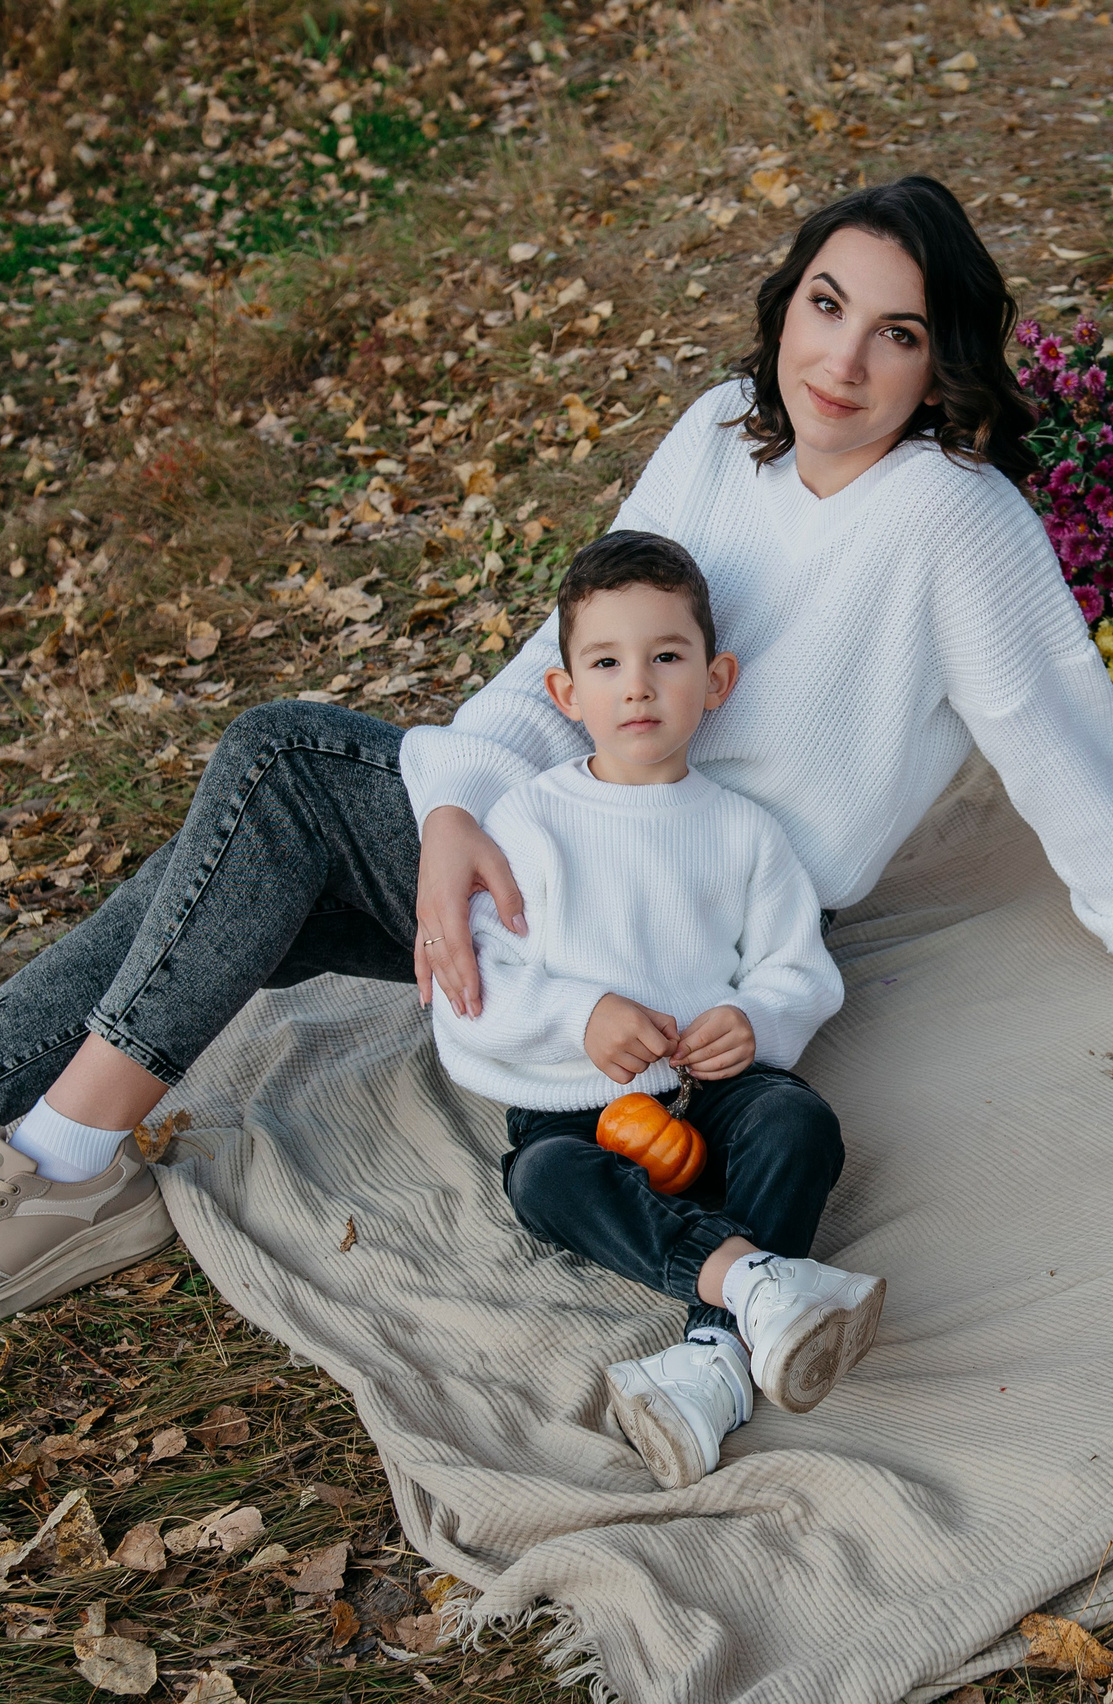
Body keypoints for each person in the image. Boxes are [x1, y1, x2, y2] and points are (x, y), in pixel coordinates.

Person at [0, 172, 1113, 1345]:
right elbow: (568, 663)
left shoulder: (956, 521)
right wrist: (458, 809)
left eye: (897, 331)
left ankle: (39, 1162)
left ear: (945, 363)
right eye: (826, 302)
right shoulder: (715, 435)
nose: (841, 355)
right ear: (786, 301)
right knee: (237, 855)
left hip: (680, 914)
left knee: (288, 757)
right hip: (554, 847)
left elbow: (1055, 732)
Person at [438, 529, 871, 1488]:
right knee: (542, 1182)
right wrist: (579, 1015)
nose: (637, 685)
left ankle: (710, 1363)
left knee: (799, 1122)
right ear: (566, 694)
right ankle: (750, 1283)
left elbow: (798, 971)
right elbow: (476, 990)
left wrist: (756, 1019)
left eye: (666, 658)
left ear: (715, 682)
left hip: (712, 1089)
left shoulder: (742, 831)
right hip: (575, 1100)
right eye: (606, 663)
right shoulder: (532, 822)